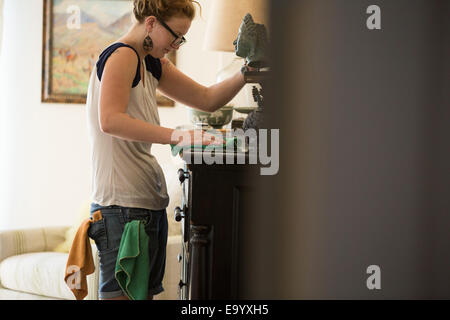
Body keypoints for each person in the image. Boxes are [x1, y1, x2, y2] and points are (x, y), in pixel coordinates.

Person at [86, 0, 253, 300]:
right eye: (175, 35)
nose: (177, 44)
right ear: (150, 23)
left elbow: (207, 99)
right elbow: (110, 120)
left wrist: (246, 72)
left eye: (182, 38)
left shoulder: (150, 62)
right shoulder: (122, 55)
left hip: (145, 208)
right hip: (121, 210)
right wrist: (178, 136)